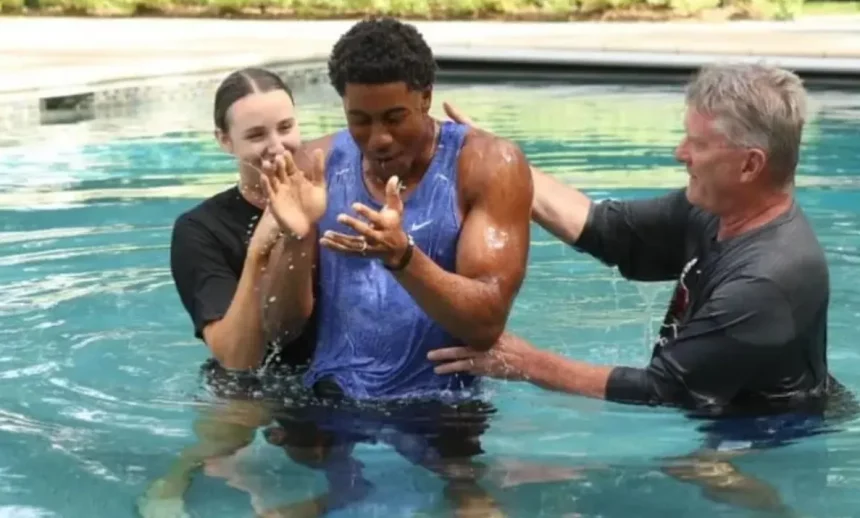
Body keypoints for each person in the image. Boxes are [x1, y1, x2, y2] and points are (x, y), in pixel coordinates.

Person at [430, 63, 857, 513]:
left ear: (750, 164)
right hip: (720, 401)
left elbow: (660, 389)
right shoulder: (717, 211)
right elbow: (605, 229)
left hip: (770, 435)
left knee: (666, 474)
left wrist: (525, 362)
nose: (680, 153)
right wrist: (503, 164)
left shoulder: (767, 278)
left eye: (698, 143)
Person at [255, 16, 533, 518]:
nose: (378, 138)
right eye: (360, 119)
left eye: (394, 117)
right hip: (331, 396)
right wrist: (296, 238)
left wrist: (402, 257)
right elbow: (280, 330)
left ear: (426, 97)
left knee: (472, 503)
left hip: (442, 404)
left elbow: (486, 322)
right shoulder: (317, 164)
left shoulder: (487, 165)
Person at [137, 67, 322, 518]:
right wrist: (261, 246)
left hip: (331, 371)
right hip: (249, 383)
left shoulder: (328, 196)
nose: (277, 146)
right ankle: (178, 476)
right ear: (225, 141)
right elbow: (235, 358)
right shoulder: (199, 231)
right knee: (232, 433)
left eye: (286, 127)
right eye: (256, 135)